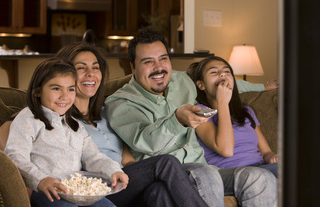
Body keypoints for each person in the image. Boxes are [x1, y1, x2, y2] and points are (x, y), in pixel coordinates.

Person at [105, 29, 277, 207]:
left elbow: (218, 82)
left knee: (258, 177)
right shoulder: (120, 103)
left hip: (207, 169)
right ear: (132, 67)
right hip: (167, 177)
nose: (158, 68)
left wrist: (262, 86)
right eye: (148, 61)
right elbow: (144, 142)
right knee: (205, 173)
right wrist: (177, 121)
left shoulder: (181, 81)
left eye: (163, 59)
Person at [55, 42, 208, 207]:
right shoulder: (60, 121)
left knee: (158, 191)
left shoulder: (107, 112)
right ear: (64, 74)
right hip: (95, 188)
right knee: (166, 162)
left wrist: (143, 177)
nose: (90, 74)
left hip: (123, 182)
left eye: (95, 67)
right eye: (81, 68)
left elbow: (128, 160)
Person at [4, 58, 128, 207]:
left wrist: (113, 170)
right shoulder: (28, 119)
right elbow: (15, 156)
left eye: (70, 89)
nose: (65, 96)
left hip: (77, 189)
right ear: (37, 91)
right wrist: (41, 180)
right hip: (47, 191)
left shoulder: (74, 124)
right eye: (56, 88)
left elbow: (92, 156)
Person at [186, 56, 278, 177]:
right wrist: (222, 103)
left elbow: (266, 152)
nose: (222, 75)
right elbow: (226, 150)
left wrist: (272, 156)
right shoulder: (200, 111)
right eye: (214, 72)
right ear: (201, 85)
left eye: (227, 71)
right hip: (231, 172)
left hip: (261, 167)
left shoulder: (246, 111)